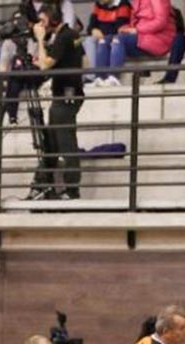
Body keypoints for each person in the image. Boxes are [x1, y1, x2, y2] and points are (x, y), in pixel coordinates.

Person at [33, 2, 86, 200]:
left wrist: (40, 40)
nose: (41, 24)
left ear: (53, 19)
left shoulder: (63, 37)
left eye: (43, 20)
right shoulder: (72, 34)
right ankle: (41, 184)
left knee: (65, 143)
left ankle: (72, 190)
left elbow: (45, 66)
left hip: (66, 96)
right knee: (52, 142)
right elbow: (82, 61)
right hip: (68, 94)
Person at [84, 0, 132, 86]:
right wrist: (93, 30)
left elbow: (120, 28)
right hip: (102, 37)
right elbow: (90, 26)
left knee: (104, 41)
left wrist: (101, 32)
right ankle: (94, 77)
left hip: (114, 38)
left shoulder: (123, 4)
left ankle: (104, 76)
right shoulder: (99, 4)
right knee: (89, 40)